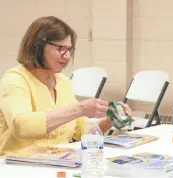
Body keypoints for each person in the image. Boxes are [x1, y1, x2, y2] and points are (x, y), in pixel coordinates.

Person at [0, 16, 132, 155]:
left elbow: (80, 131)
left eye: (69, 50)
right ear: (38, 45)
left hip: (57, 162)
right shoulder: (15, 79)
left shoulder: (63, 82)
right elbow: (21, 126)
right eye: (61, 48)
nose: (67, 56)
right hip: (17, 166)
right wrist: (80, 109)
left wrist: (109, 120)